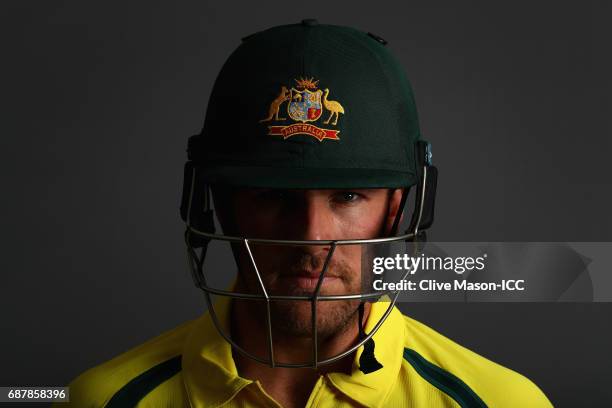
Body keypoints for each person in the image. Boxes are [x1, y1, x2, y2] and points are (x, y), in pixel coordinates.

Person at [60, 20, 553, 407]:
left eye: (348, 197)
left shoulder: (499, 401)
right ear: (223, 207)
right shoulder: (104, 399)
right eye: (273, 196)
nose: (311, 237)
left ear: (396, 209)